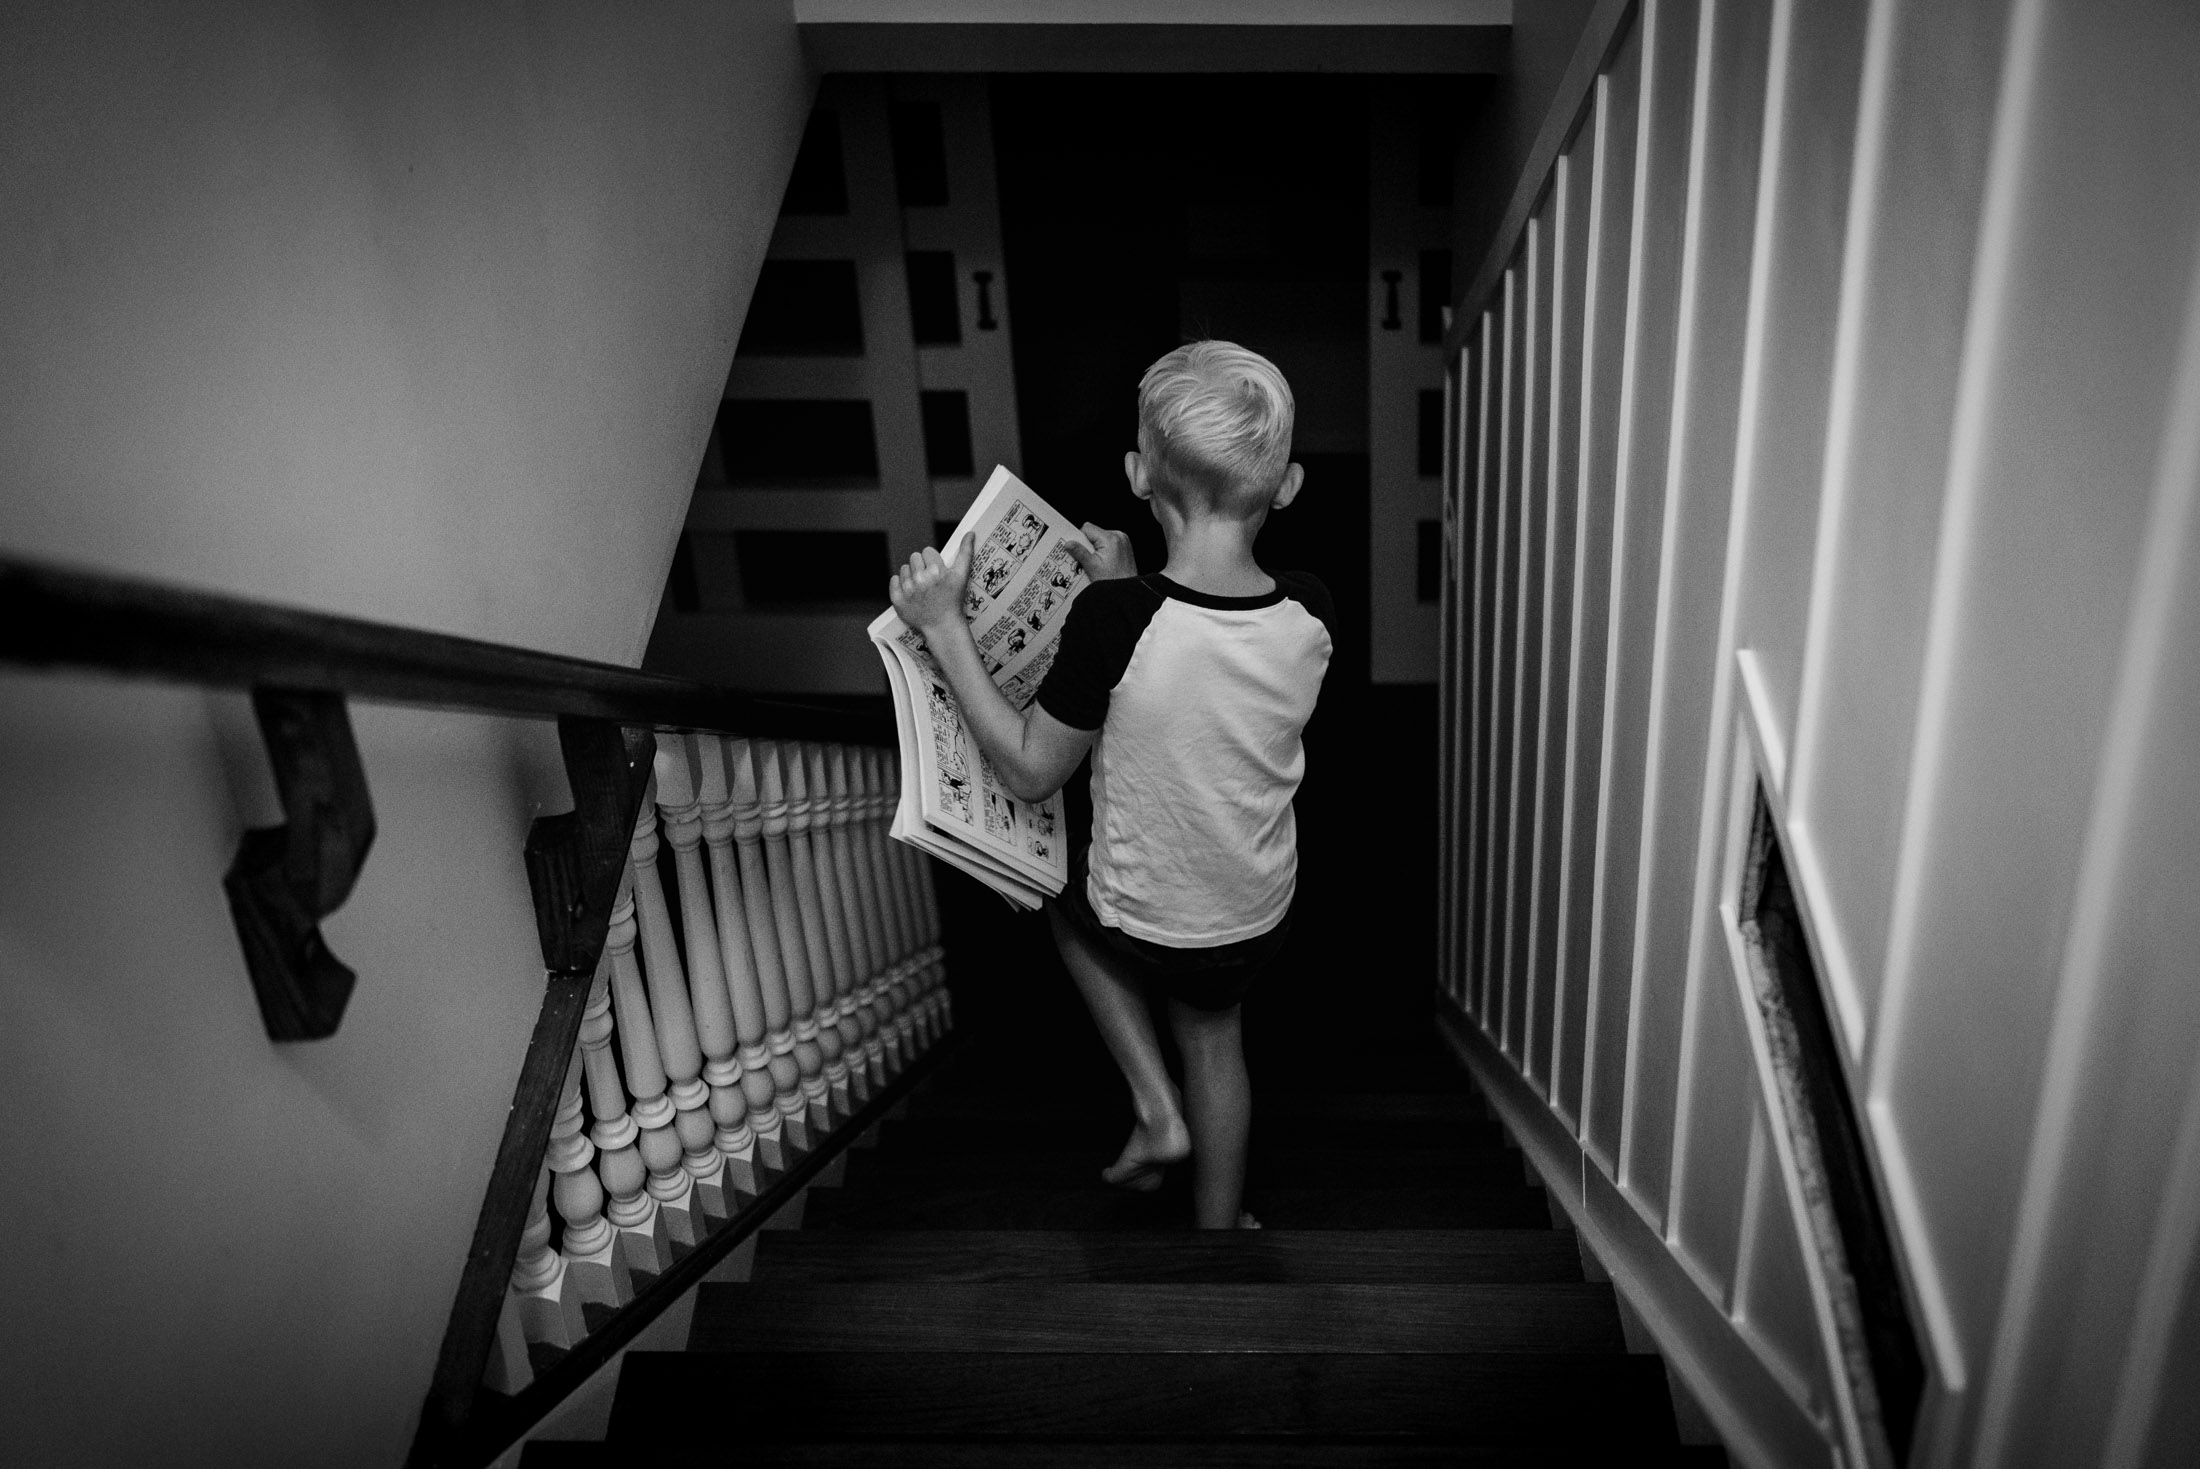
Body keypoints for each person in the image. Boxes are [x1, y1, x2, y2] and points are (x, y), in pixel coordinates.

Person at [888, 340, 1335, 1229]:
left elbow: (1027, 766)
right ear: (1285, 486)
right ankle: (1219, 1234)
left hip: (1153, 912)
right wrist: (1128, 593)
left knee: (1056, 895)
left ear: (1138, 475)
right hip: (1255, 908)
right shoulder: (1312, 609)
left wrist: (944, 627)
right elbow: (1205, 672)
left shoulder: (1111, 622)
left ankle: (1156, 1108)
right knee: (1216, 1040)